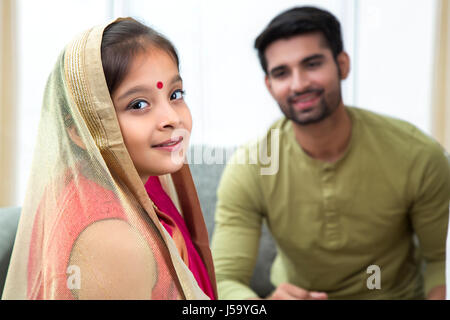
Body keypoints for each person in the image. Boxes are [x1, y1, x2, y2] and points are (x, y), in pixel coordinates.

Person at [211, 6, 450, 300]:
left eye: (312, 64)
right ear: (269, 85)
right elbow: (223, 279)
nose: (298, 84)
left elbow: (442, 259)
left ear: (343, 64)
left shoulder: (417, 155)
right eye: (282, 73)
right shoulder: (250, 167)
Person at [2, 17, 217, 300]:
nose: (172, 118)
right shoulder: (113, 240)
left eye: (175, 94)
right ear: (81, 131)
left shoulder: (128, 182)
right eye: (138, 104)